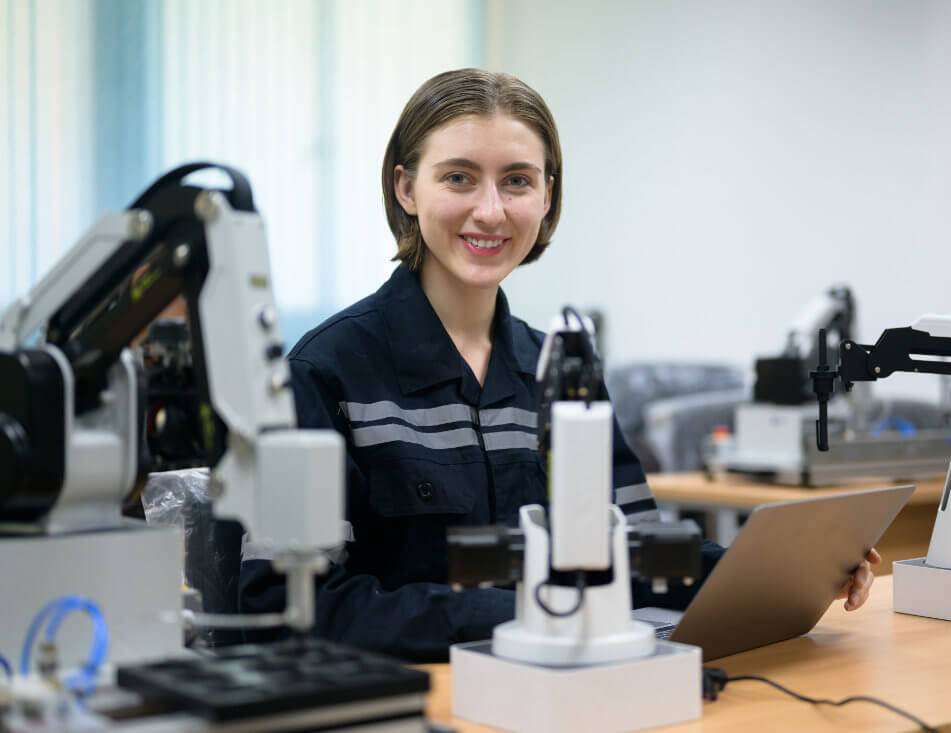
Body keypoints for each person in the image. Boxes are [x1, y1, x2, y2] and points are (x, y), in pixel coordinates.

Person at [239, 68, 879, 661]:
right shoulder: (323, 373)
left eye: (517, 180)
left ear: (547, 196)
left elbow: (634, 552)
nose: (491, 210)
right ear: (406, 188)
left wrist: (782, 571)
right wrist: (525, 611)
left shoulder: (560, 370)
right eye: (459, 177)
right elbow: (294, 609)